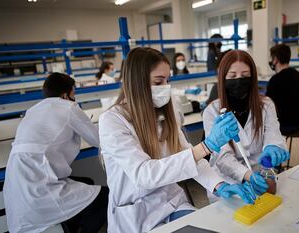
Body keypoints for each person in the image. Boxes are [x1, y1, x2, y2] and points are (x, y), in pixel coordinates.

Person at [98, 47, 257, 233]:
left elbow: (188, 156)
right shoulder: (112, 121)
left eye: (168, 80)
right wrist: (206, 147)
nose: (165, 87)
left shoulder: (167, 111)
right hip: (136, 216)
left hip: (171, 203)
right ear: (136, 83)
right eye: (159, 81)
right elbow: (144, 175)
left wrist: (219, 185)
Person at [3, 73, 108, 233]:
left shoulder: (32, 110)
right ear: (66, 95)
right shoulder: (68, 107)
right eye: (74, 95)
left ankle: (71, 226)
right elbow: (98, 139)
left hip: (17, 181)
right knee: (105, 196)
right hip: (40, 184)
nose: (74, 99)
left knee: (86, 181)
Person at [203, 50, 290, 201]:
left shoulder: (266, 105)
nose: (239, 81)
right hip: (228, 182)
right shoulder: (212, 112)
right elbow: (222, 158)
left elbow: (273, 136)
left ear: (253, 77)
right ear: (223, 79)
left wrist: (273, 148)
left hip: (260, 175)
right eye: (232, 76)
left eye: (244, 75)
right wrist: (248, 176)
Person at [266, 44, 299, 135]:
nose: (271, 61)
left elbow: (267, 105)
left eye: (271, 58)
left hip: (283, 125)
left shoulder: (275, 80)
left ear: (276, 59)